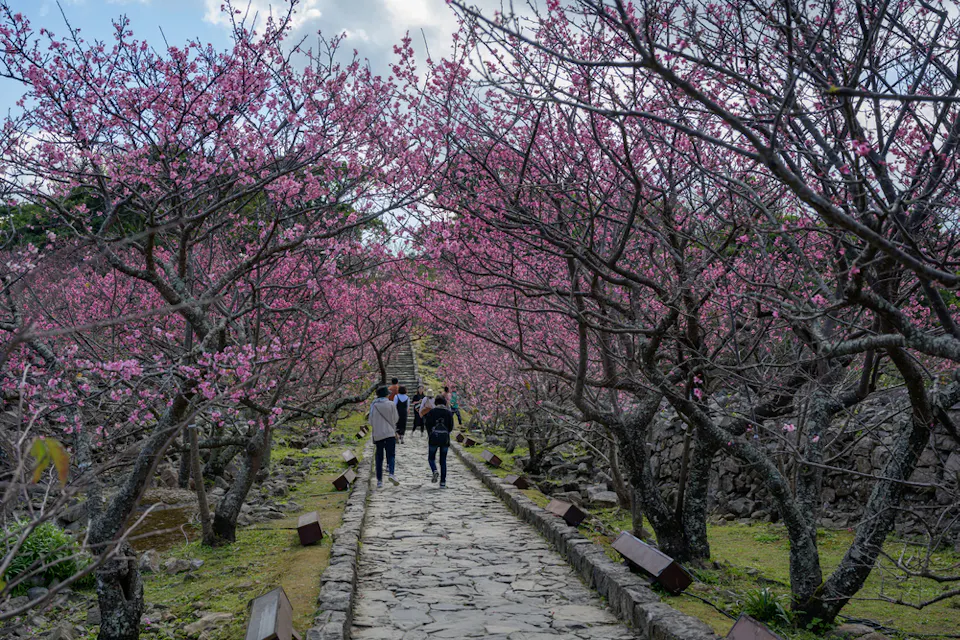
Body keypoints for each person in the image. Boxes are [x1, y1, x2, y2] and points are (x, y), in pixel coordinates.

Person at [368, 386, 400, 488]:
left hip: (378, 434)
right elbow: (395, 419)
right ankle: (391, 473)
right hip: (390, 433)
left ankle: (379, 481)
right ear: (386, 394)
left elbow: (370, 421)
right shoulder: (391, 404)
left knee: (379, 457)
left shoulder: (374, 405)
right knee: (391, 455)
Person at [425, 395, 454, 488]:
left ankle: (434, 470)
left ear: (436, 403)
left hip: (434, 438)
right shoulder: (449, 413)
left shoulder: (432, 412)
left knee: (431, 458)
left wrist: (430, 434)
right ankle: (442, 482)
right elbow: (451, 427)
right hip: (445, 439)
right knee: (443, 460)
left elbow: (427, 425)